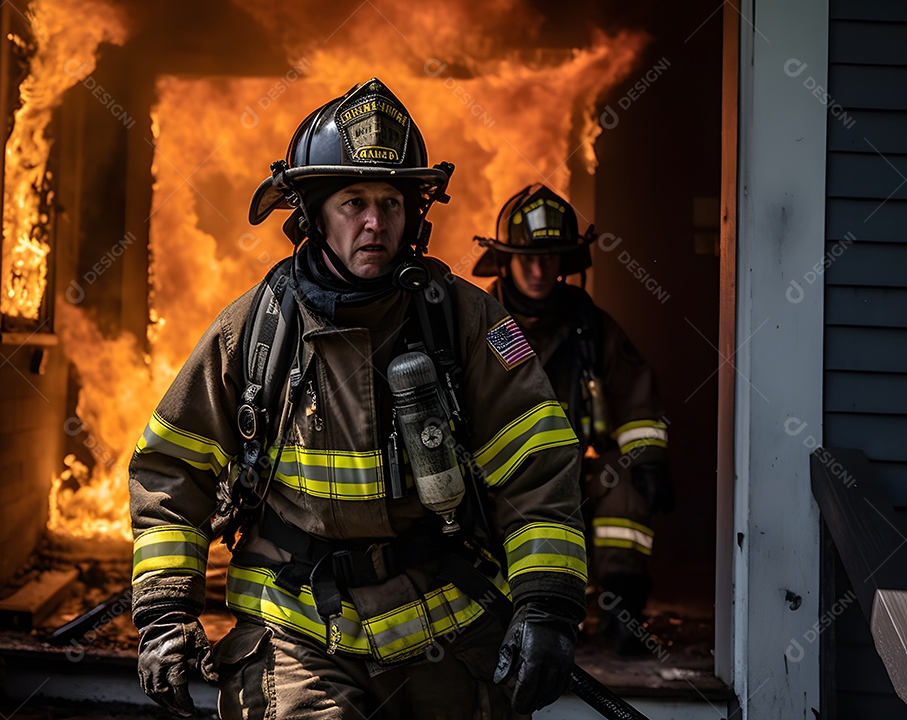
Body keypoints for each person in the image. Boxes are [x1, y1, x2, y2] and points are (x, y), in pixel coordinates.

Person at [129, 79, 589, 719]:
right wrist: (164, 613)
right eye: (353, 202)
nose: (376, 222)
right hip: (294, 629)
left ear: (414, 214)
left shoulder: (469, 322)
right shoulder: (252, 330)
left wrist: (548, 605)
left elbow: (538, 469)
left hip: (446, 622)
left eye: (391, 202)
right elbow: (173, 469)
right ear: (314, 213)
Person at [472, 184, 672, 655]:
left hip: (574, 473)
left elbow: (635, 395)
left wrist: (649, 460)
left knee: (624, 484)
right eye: (529, 259)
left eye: (552, 258)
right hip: (494, 475)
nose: (541, 270)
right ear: (505, 261)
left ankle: (621, 614)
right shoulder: (476, 321)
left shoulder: (591, 326)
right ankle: (500, 619)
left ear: (568, 262)